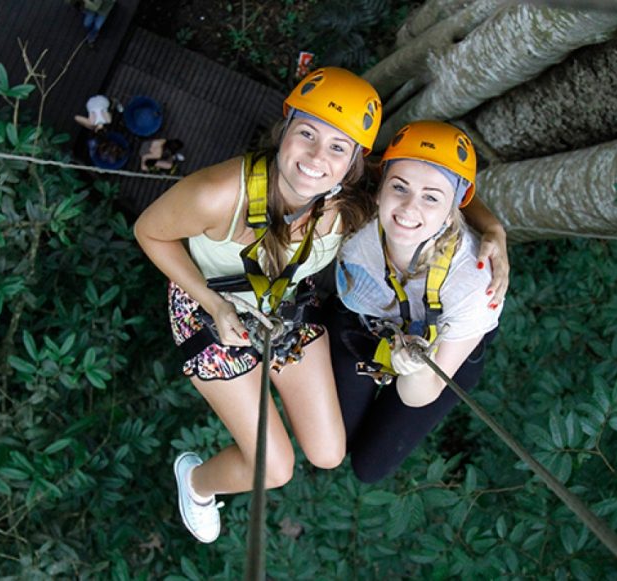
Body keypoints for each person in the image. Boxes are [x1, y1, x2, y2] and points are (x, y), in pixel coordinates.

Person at [133, 67, 385, 544]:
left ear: (354, 162)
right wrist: (215, 303)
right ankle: (195, 481)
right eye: (307, 133)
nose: (316, 157)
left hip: (284, 309)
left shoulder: (349, 200)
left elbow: (430, 191)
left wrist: (492, 231)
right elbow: (149, 231)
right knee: (274, 468)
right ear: (285, 129)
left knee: (329, 452)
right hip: (210, 311)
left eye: (337, 147)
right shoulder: (216, 195)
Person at [326, 121, 505, 484]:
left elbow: (419, 394)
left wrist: (415, 366)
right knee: (334, 442)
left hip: (441, 358)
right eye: (399, 188)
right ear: (379, 189)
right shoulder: (354, 220)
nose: (409, 208)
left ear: (453, 209)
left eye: (431, 198)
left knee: (369, 467)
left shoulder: (473, 286)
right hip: (363, 324)